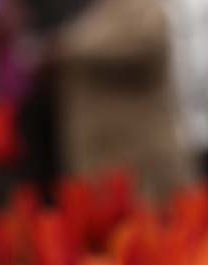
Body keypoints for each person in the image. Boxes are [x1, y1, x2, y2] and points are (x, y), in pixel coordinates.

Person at [50, 0, 197, 198]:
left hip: (142, 159)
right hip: (101, 159)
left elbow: (144, 41)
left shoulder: (139, 6)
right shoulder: (85, 11)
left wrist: (67, 48)